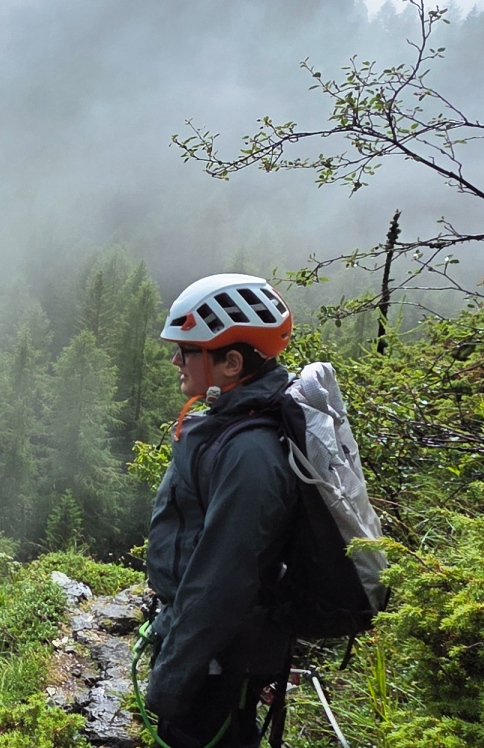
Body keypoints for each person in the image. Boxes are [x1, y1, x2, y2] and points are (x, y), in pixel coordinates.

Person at [142, 273, 298, 748]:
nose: (175, 360)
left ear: (231, 362)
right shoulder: (235, 427)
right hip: (212, 651)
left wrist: (170, 681)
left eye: (187, 350)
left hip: (218, 661)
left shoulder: (249, 454)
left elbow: (223, 581)